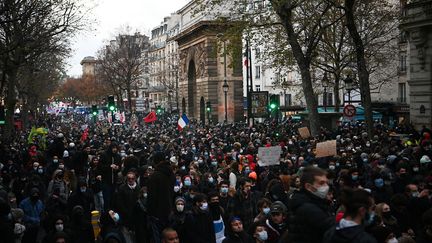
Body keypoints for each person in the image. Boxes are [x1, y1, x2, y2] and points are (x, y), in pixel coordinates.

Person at [288, 166, 335, 243]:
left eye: (326, 182)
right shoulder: (309, 209)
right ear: (308, 186)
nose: (326, 186)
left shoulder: (313, 202)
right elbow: (330, 229)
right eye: (321, 183)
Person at [147, 152, 176, 243]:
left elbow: (152, 197)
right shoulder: (171, 174)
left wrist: (150, 212)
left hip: (157, 213)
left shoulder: (155, 176)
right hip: (169, 209)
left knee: (158, 237)